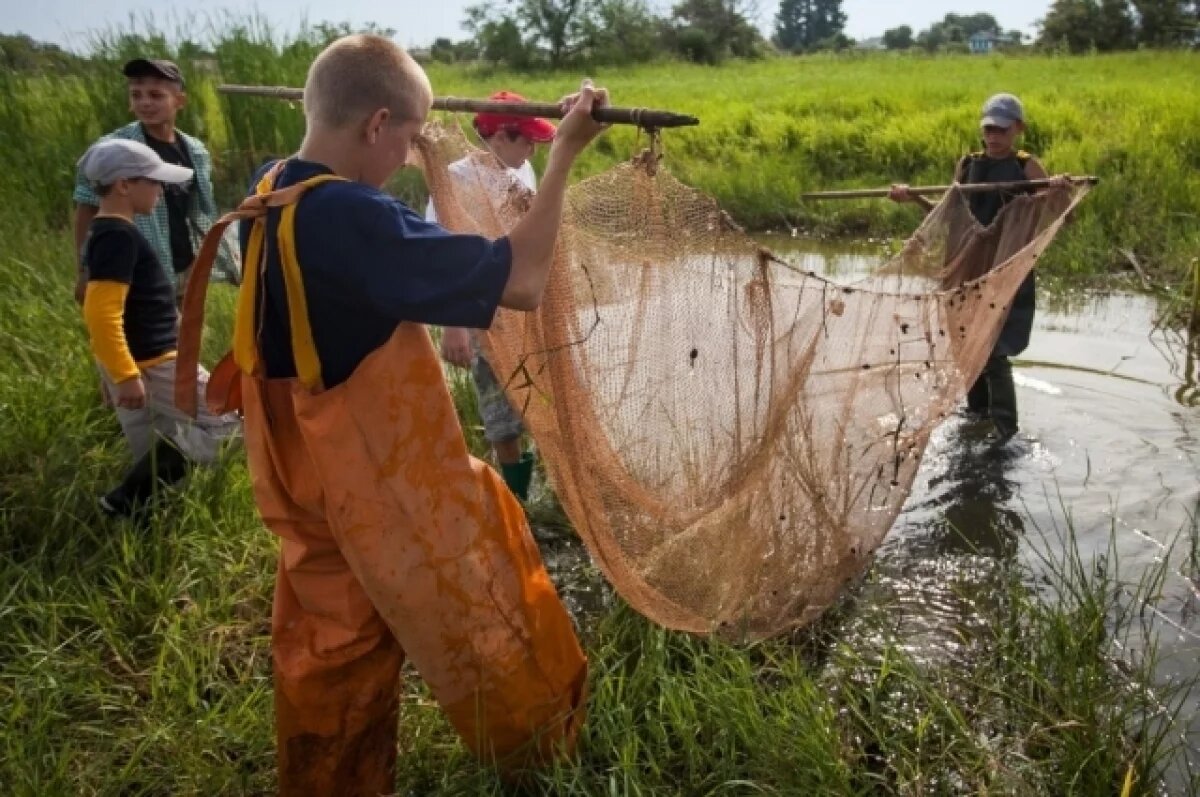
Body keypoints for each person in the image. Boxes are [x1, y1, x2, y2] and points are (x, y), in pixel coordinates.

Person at [181, 35, 608, 793]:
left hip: (297, 474)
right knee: (493, 595)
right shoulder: (355, 217)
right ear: (377, 124)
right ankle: (545, 754)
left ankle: (331, 781)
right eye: (410, 140)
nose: (414, 157)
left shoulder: (273, 183)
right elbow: (525, 280)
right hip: (382, 483)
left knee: (331, 647)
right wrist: (567, 151)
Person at [889, 92, 1067, 444]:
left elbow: (1060, 212)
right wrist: (912, 197)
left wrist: (1057, 189)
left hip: (1006, 269)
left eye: (1001, 130)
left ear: (1018, 128)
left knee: (996, 350)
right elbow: (946, 214)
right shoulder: (968, 164)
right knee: (966, 345)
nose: (994, 137)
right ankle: (975, 416)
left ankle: (1005, 434)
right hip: (967, 268)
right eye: (989, 129)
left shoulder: (1025, 165)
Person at [76, 138, 240, 517]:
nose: (160, 189)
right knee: (232, 420)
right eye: (153, 181)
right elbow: (101, 314)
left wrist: (115, 370)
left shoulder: (106, 233)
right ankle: (126, 499)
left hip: (134, 364)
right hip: (156, 362)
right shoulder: (118, 236)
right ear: (123, 185)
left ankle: (139, 515)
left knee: (151, 449)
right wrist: (124, 374)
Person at [425, 90, 556, 501]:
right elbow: (443, 257)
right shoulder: (456, 179)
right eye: (525, 140)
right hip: (480, 312)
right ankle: (517, 504)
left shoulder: (523, 172)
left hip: (522, 309)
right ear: (499, 135)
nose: (533, 149)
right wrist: (454, 329)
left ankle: (535, 490)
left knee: (538, 397)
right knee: (499, 407)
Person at [72, 58, 240, 306]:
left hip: (182, 267)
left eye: (156, 95)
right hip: (133, 271)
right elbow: (86, 209)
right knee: (140, 337)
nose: (145, 103)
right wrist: (84, 270)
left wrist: (206, 261)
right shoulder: (113, 150)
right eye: (136, 95)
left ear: (179, 101)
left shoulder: (195, 151)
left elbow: (200, 212)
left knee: (180, 337)